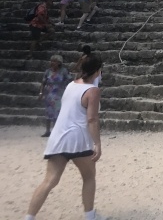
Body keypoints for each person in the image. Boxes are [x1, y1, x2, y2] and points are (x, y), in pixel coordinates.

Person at [25, 53, 104, 220]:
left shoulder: (71, 85)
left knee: (49, 181)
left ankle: (29, 217)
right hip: (78, 139)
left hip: (59, 137)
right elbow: (92, 118)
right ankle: (90, 215)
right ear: (97, 70)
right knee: (89, 176)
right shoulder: (93, 91)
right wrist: (97, 143)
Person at [39, 54, 71, 137]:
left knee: (57, 112)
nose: (52, 63)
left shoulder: (63, 71)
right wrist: (41, 92)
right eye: (51, 61)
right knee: (48, 112)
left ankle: (56, 131)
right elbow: (43, 82)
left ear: (59, 63)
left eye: (54, 61)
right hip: (49, 94)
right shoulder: (48, 71)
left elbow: (69, 81)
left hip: (59, 94)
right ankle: (47, 130)